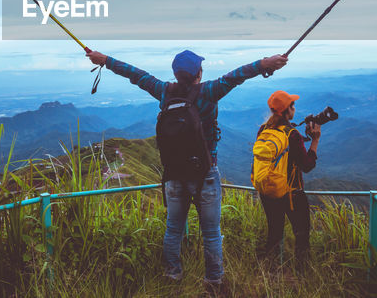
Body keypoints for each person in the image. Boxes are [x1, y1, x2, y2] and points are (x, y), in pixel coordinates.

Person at [86, 48, 287, 288]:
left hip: (174, 174)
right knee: (211, 232)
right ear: (198, 73)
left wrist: (105, 60)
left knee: (173, 229)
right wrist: (266, 63)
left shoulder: (164, 91)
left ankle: (172, 276)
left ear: (176, 73)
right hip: (206, 173)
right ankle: (213, 281)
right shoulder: (209, 92)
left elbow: (136, 74)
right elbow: (237, 75)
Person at [257, 90, 320, 269]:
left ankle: (269, 272)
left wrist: (302, 137)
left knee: (274, 233)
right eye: (292, 105)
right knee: (301, 235)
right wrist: (315, 140)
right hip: (292, 194)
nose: (295, 107)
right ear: (287, 110)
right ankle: (302, 275)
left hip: (268, 191)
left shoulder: (263, 130)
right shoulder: (291, 134)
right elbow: (306, 165)